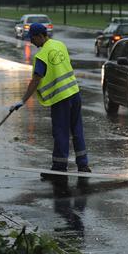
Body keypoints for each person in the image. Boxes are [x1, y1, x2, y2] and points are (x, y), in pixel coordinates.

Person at [10, 22, 91, 173]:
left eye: (32, 38)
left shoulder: (42, 56)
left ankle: (59, 168)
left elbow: (36, 79)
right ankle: (83, 165)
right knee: (77, 130)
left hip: (61, 99)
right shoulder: (60, 45)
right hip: (74, 93)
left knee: (61, 132)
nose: (31, 41)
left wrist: (22, 100)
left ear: (40, 36)